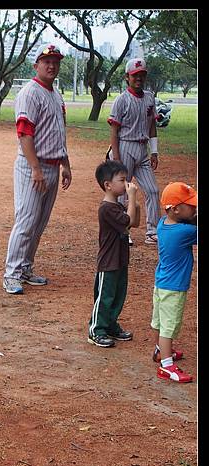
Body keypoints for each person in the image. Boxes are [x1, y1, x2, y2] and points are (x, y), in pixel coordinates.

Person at [3, 44, 72, 295]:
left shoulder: (55, 94)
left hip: (53, 165)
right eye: (46, 61)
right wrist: (35, 168)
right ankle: (11, 274)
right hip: (33, 166)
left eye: (55, 61)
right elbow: (24, 133)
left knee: (39, 224)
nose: (52, 65)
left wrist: (66, 164)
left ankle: (25, 269)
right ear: (36, 66)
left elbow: (59, 133)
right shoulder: (30, 93)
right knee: (26, 221)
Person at [107, 58, 160, 246]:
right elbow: (114, 131)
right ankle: (123, 231)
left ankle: (152, 231)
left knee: (153, 190)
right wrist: (117, 158)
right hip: (124, 146)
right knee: (121, 191)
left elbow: (152, 125)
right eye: (135, 75)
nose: (139, 78)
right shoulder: (121, 100)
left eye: (142, 75)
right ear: (127, 77)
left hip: (142, 148)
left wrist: (154, 151)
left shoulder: (149, 97)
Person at [88, 160, 141, 348]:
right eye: (122, 180)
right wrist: (132, 200)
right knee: (105, 296)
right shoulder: (106, 208)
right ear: (108, 185)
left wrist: (133, 203)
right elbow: (128, 221)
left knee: (118, 294)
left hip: (120, 258)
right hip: (108, 260)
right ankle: (96, 329)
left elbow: (135, 223)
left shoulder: (117, 206)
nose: (126, 183)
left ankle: (110, 324)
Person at [151, 182, 197, 383]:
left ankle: (161, 351)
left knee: (160, 322)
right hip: (174, 287)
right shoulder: (184, 232)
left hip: (161, 283)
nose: (194, 209)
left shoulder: (163, 223)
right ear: (176, 209)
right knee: (169, 327)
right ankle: (167, 366)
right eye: (191, 206)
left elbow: (188, 221)